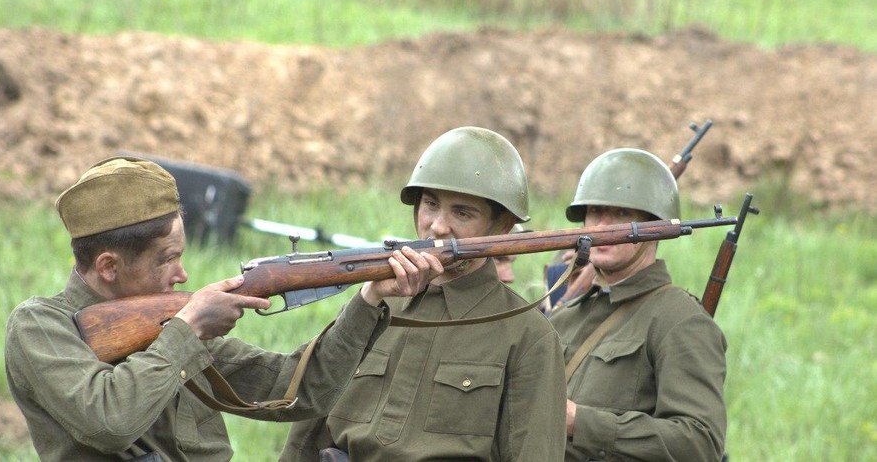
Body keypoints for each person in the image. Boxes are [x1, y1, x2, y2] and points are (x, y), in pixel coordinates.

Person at [4, 157, 392, 461]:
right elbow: (110, 422)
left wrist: (369, 298)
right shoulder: (40, 325)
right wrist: (186, 331)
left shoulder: (167, 322)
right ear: (108, 266)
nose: (182, 274)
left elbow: (298, 391)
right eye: (166, 260)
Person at [280, 126, 567, 461]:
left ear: (501, 227)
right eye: (430, 204)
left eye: (463, 212)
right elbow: (306, 429)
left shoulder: (527, 335)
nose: (438, 226)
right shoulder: (373, 306)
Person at [549, 148, 727, 461]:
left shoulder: (679, 320)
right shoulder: (566, 314)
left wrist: (581, 423)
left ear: (656, 225)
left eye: (620, 214)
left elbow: (701, 442)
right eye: (594, 212)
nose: (602, 227)